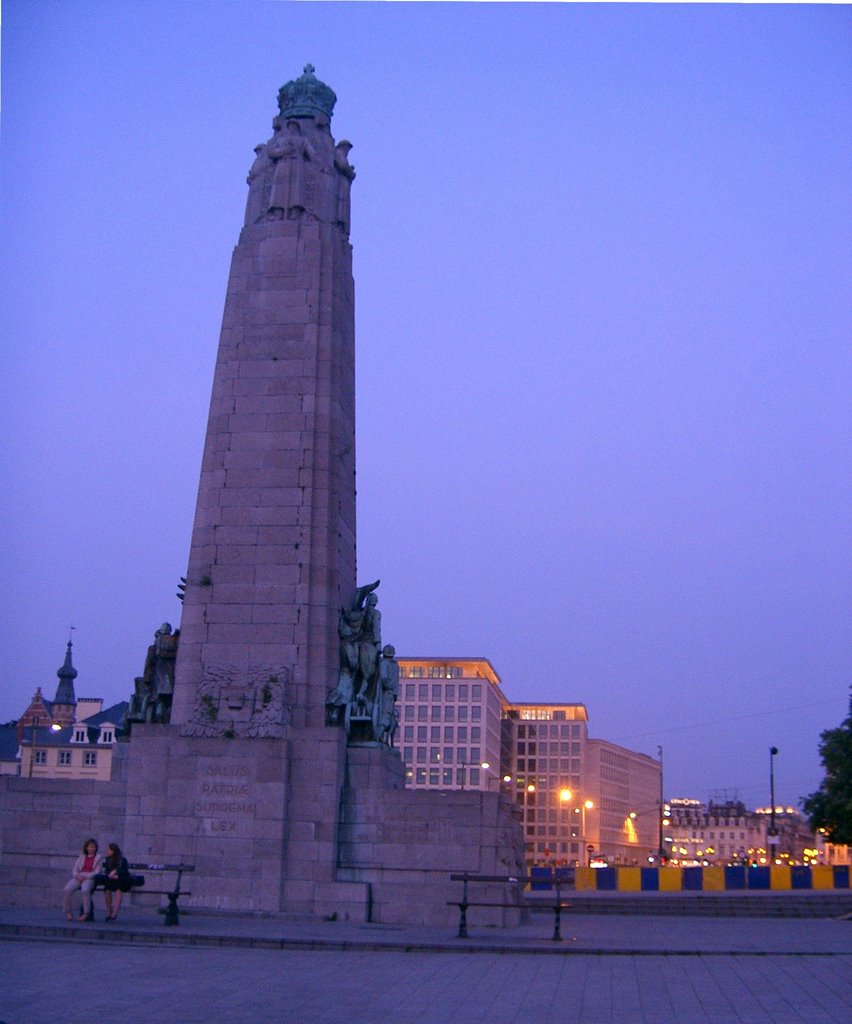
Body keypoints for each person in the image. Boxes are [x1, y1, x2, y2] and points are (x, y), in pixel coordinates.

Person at [62, 838, 102, 922]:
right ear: (86, 848)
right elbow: (75, 868)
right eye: (90, 847)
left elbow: (97, 871)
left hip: (89, 877)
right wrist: (76, 875)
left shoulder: (98, 858)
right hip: (79, 876)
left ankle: (86, 913)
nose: (91, 849)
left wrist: (86, 876)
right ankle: (68, 911)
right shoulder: (82, 856)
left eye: (93, 847)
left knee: (85, 890)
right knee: (67, 890)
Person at [96, 842, 132, 921]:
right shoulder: (108, 859)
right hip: (112, 879)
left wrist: (116, 873)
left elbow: (123, 870)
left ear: (113, 850)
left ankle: (115, 912)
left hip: (123, 880)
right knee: (107, 890)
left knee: (119, 890)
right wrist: (111, 875)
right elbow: (107, 871)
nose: (107, 851)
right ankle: (108, 911)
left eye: (108, 850)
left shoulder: (122, 859)